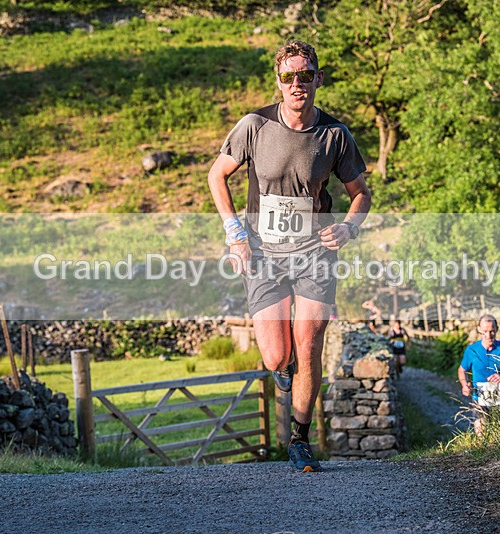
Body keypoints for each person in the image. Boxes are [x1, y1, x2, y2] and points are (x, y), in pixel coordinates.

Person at [208, 40, 371, 472]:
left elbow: (361, 193)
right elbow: (216, 176)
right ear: (278, 81)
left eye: (306, 75)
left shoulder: (335, 134)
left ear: (319, 79)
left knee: (310, 341)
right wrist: (235, 234)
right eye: (288, 76)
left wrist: (348, 227)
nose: (297, 83)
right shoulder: (254, 125)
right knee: (278, 357)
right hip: (264, 254)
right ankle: (287, 366)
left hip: (315, 252)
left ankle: (299, 439)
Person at [458, 314, 500, 436]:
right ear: (479, 329)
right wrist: (464, 384)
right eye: (485, 331)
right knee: (481, 435)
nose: (488, 335)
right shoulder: (472, 350)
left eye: (492, 331)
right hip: (479, 399)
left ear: (497, 329)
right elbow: (461, 370)